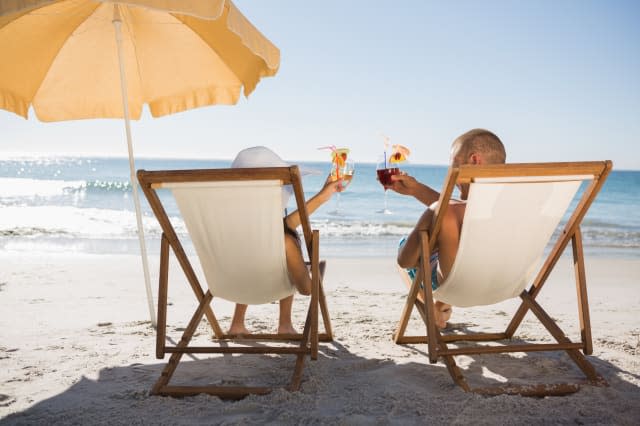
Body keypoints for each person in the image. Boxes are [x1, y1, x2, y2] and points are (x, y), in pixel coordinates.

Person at [386, 129, 506, 329]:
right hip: (507, 284)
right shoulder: (515, 204)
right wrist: (416, 189)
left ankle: (432, 306)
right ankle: (440, 304)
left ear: (474, 160)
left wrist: (431, 238)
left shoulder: (447, 213)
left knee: (406, 251)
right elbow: (457, 208)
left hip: (458, 288)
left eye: (453, 161)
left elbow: (405, 261)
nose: (450, 168)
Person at [227, 146, 343, 335]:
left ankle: (237, 324)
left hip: (230, 276)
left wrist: (322, 196)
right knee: (286, 246)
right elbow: (306, 289)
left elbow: (287, 223)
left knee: (268, 243)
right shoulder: (283, 239)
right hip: (272, 273)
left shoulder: (227, 219)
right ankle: (285, 325)